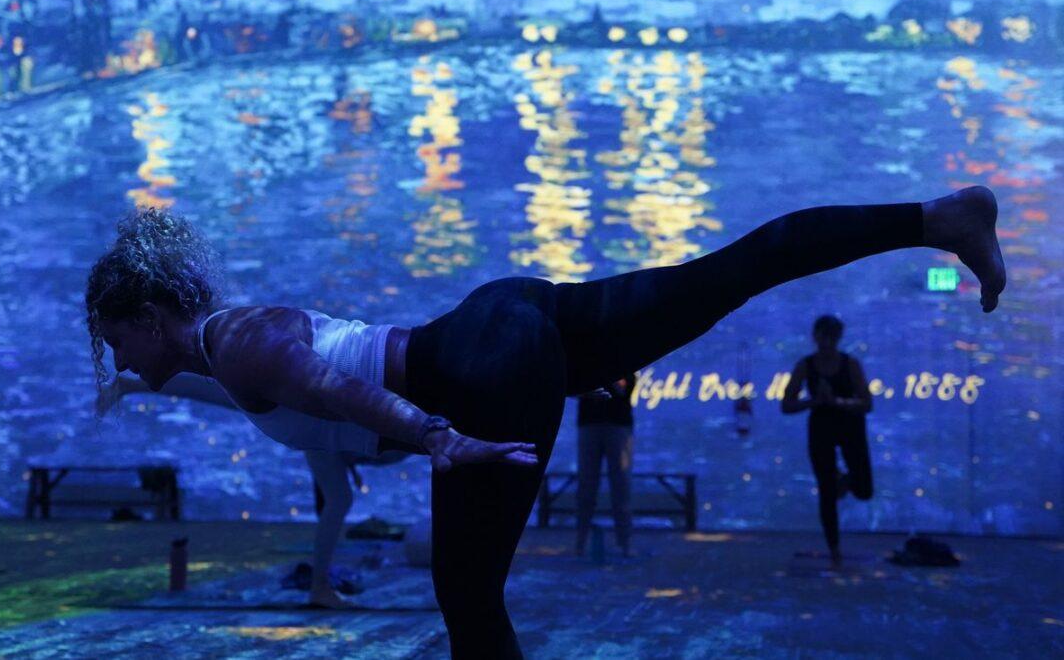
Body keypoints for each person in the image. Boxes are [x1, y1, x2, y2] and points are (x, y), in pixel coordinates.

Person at [85, 185, 1005, 658]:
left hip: (480, 368)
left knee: (467, 599)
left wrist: (443, 440)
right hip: (503, 324)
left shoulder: (241, 339)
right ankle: (938, 217)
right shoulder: (222, 349)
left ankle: (940, 219)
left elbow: (339, 394)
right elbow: (285, 396)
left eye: (113, 339)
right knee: (725, 275)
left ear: (147, 312)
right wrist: (142, 390)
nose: (113, 356)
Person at [95, 371, 409, 608]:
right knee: (226, 394)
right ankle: (319, 587)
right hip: (320, 426)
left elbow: (359, 438)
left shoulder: (400, 435)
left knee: (228, 395)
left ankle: (133, 383)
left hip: (325, 430)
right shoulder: (404, 435)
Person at [780, 315, 873, 566]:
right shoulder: (806, 365)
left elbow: (866, 403)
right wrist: (815, 401)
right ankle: (834, 550)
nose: (825, 343)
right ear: (816, 336)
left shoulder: (850, 364)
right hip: (821, 425)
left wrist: (837, 402)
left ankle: (844, 481)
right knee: (826, 491)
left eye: (830, 338)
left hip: (849, 424)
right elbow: (786, 404)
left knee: (864, 489)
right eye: (822, 337)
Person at [574, 374, 636, 557]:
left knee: (621, 484)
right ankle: (581, 542)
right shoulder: (588, 359)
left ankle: (624, 543)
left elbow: (624, 388)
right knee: (586, 485)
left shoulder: (623, 356)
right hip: (591, 422)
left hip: (617, 423)